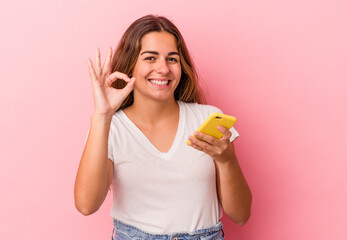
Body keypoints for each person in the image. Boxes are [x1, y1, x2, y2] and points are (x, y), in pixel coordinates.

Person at [74, 14, 252, 240]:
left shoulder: (207, 119)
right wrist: (102, 116)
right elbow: (86, 205)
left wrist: (227, 160)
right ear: (131, 65)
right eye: (150, 58)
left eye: (172, 59)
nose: (163, 69)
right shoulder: (111, 127)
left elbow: (241, 215)